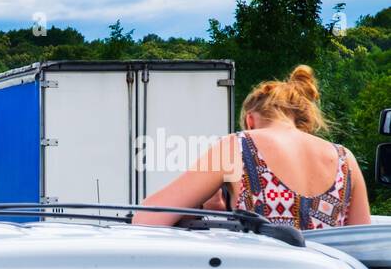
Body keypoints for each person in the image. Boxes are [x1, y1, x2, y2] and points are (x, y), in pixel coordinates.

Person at [134, 65, 371, 229]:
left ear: (250, 119)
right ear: (302, 121)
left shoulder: (239, 145)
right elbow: (361, 244)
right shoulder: (345, 159)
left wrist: (200, 207)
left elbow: (148, 218)